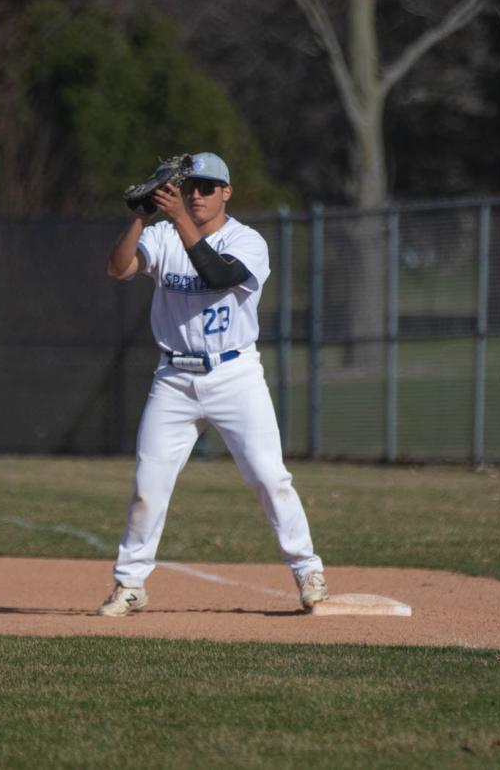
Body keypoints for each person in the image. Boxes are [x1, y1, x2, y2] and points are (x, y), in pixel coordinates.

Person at [97, 152, 328, 616]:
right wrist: (141, 220)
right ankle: (130, 584)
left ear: (226, 192)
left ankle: (307, 569)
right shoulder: (162, 235)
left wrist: (180, 219)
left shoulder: (248, 241)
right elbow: (118, 269)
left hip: (234, 375)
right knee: (149, 484)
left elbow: (218, 274)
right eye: (190, 188)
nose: (196, 195)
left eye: (207, 187)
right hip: (174, 379)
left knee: (268, 476)